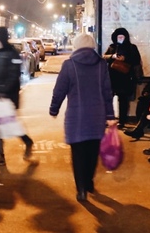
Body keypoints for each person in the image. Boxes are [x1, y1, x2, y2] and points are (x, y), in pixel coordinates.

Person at [48, 33, 117, 202]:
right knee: (93, 152)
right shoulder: (101, 65)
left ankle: (81, 190)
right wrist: (110, 115)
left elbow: (59, 90)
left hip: (76, 116)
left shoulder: (69, 65)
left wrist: (54, 109)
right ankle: (89, 182)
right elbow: (107, 92)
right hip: (97, 116)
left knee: (78, 153)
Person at [0, 27, 34, 167]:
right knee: (2, 125)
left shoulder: (12, 54)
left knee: (2, 126)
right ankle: (24, 142)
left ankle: (0, 156)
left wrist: (3, 92)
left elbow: (14, 75)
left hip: (7, 97)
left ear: (0, 39)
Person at [103, 27, 142, 127]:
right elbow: (104, 57)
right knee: (108, 99)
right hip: (112, 77)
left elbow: (136, 62)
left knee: (123, 100)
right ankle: (108, 119)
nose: (120, 38)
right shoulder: (112, 47)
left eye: (122, 37)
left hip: (125, 78)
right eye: (118, 37)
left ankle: (122, 121)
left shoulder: (131, 47)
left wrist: (125, 58)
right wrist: (113, 56)